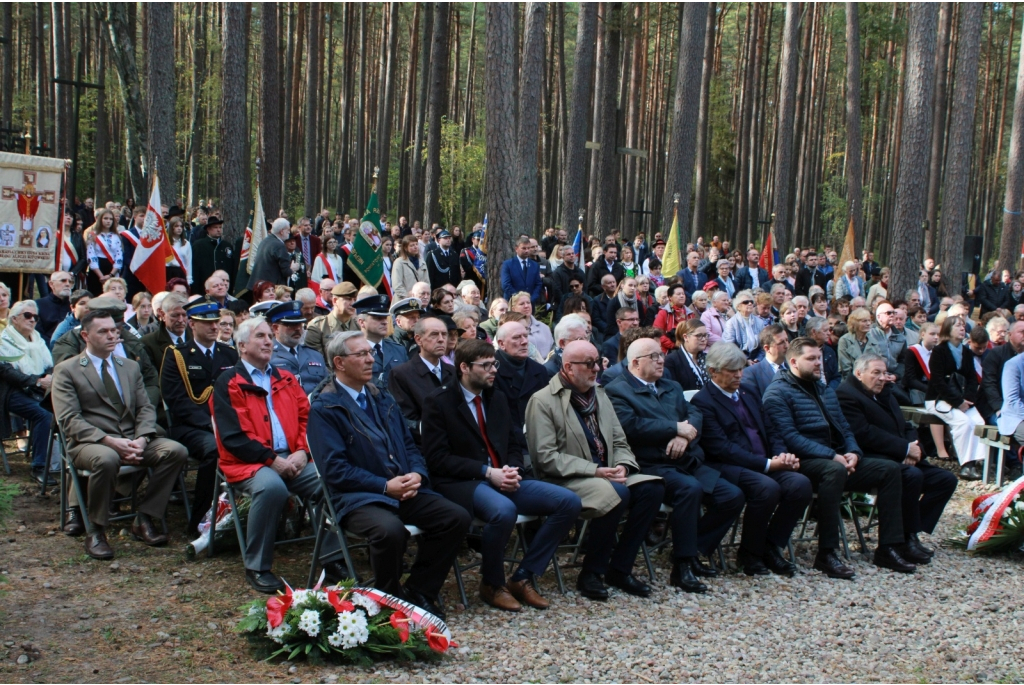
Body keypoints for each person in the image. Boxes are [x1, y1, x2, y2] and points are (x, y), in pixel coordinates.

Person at [306, 331, 470, 619]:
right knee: (390, 531)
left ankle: (419, 589)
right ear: (340, 363)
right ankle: (388, 600)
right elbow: (334, 470)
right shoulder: (326, 408)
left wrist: (417, 474)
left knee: (456, 518)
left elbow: (409, 444)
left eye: (370, 353)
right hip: (358, 497)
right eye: (362, 355)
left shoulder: (381, 397)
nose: (371, 359)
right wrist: (384, 486)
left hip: (401, 487)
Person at [420, 340, 581, 611]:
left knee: (568, 502)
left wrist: (512, 469)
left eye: (494, 364)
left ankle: (523, 576)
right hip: (461, 483)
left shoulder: (498, 397)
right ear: (464, 367)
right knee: (504, 511)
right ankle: (492, 584)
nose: (493, 370)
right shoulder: (439, 402)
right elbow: (437, 460)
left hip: (502, 476)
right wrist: (486, 472)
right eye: (485, 365)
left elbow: (514, 443)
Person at [761, 337, 914, 579]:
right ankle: (827, 552)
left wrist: (853, 452)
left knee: (889, 469)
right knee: (834, 471)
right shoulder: (777, 392)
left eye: (819, 358)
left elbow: (844, 427)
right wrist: (832, 455)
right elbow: (789, 437)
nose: (818, 364)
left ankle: (888, 547)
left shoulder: (824, 389)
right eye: (810, 359)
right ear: (793, 361)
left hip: (835, 458)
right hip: (802, 461)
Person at [525, 340, 664, 600]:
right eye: (589, 364)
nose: (596, 369)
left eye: (598, 362)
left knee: (652, 488)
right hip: (565, 480)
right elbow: (545, 458)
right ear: (568, 367)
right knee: (615, 494)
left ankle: (620, 568)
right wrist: (595, 470)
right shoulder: (543, 401)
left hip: (607, 474)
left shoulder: (599, 393)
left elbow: (619, 440)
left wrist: (622, 464)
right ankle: (591, 572)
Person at [607, 338, 745, 592]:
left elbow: (694, 413)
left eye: (662, 355)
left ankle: (692, 550)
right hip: (650, 464)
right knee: (689, 489)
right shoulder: (617, 390)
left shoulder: (670, 385)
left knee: (732, 496)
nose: (662, 360)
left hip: (685, 459)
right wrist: (673, 427)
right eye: (655, 357)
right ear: (636, 362)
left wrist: (683, 434)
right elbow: (629, 426)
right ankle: (682, 567)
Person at [51, 309, 188, 560]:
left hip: (131, 437)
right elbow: (69, 419)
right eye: (103, 331)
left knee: (175, 451)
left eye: (115, 330)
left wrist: (142, 438)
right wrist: (109, 441)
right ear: (86, 336)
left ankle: (145, 517)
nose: (112, 336)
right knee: (107, 458)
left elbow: (145, 407)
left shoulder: (130, 366)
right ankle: (96, 530)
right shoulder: (67, 370)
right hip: (90, 442)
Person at [211, 317, 322, 593]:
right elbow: (234, 437)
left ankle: (332, 557)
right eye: (260, 336)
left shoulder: (284, 377)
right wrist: (274, 461)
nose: (268, 341)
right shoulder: (229, 381)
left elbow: (307, 418)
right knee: (272, 489)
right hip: (249, 462)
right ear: (241, 345)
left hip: (293, 456)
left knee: (331, 481)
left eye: (270, 337)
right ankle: (257, 567)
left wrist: (301, 451)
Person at [691, 342, 812, 577]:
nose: (738, 375)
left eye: (740, 369)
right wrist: (768, 464)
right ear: (713, 371)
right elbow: (721, 448)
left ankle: (770, 546)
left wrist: (780, 455)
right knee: (765, 488)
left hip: (764, 460)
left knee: (800, 485)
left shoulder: (748, 391)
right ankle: (749, 554)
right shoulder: (703, 401)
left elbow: (771, 428)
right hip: (728, 466)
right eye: (731, 370)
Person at [837, 354, 958, 563]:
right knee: (911, 476)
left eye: (885, 373)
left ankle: (910, 533)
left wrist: (914, 447)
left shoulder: (886, 393)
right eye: (876, 373)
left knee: (945, 480)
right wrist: (903, 450)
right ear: (859, 373)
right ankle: (900, 540)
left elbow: (906, 426)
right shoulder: (846, 395)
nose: (883, 378)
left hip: (900, 456)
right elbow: (863, 433)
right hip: (870, 460)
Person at [160, 297, 239, 537]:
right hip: (193, 427)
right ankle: (201, 520)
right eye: (207, 323)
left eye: (216, 322)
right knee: (215, 450)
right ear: (192, 324)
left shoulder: (229, 354)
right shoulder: (178, 355)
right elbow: (176, 401)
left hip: (226, 423)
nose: (215, 327)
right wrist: (210, 424)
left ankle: (240, 516)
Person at [923, 316, 987, 480]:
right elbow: (937, 381)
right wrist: (958, 402)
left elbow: (972, 378)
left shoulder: (966, 351)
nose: (962, 328)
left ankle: (975, 463)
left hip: (963, 399)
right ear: (948, 329)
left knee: (979, 422)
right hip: (939, 399)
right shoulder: (939, 351)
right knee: (963, 423)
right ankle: (966, 465)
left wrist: (967, 400)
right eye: (957, 325)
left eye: (963, 325)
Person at [0, 301, 55, 484]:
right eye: (27, 315)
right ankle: (39, 466)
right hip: (11, 392)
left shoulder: (38, 340)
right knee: (43, 414)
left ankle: (60, 461)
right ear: (14, 319)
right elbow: (7, 372)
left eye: (35, 317)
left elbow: (50, 366)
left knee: (67, 408)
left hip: (38, 389)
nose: (32, 320)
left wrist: (49, 378)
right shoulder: (3, 341)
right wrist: (37, 381)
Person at [388, 316, 456, 441]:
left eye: (444, 334)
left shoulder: (453, 371)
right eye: (434, 335)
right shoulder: (401, 374)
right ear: (418, 340)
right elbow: (406, 420)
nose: (441, 340)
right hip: (424, 447)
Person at [492, 321, 549, 429]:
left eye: (526, 336)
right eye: (516, 337)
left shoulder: (540, 370)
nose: (524, 342)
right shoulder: (491, 371)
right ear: (501, 344)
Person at [266, 300, 329, 396]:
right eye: (291, 325)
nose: (298, 329)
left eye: (300, 324)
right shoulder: (267, 356)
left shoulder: (315, 355)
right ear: (276, 328)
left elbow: (329, 387)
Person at [349, 294, 408, 388]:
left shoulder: (399, 350)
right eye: (377, 318)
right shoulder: (352, 351)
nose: (385, 322)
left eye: (385, 318)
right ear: (361, 322)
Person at [304, 282, 360, 363]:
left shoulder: (359, 326)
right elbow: (317, 363)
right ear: (335, 301)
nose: (352, 303)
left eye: (354, 299)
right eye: (348, 299)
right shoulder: (318, 327)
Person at [140, 292, 191, 372]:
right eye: (175, 315)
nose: (181, 320)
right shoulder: (148, 343)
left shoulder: (198, 338)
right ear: (163, 315)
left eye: (184, 315)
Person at [742, 324, 789, 399]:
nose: (787, 345)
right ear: (767, 348)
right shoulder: (751, 374)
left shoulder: (794, 368)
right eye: (781, 343)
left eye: (787, 340)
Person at [191, 217, 235, 296]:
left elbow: (232, 269)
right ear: (208, 229)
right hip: (204, 288)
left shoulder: (227, 246)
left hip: (224, 289)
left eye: (220, 227)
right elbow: (195, 269)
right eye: (215, 227)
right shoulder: (199, 245)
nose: (218, 230)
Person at [663, 319, 710, 391]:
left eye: (705, 335)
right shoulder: (671, 361)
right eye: (699, 335)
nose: (704, 339)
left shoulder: (708, 358)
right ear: (686, 337)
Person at [509, 291, 554, 360]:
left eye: (528, 303)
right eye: (522, 304)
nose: (526, 306)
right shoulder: (509, 329)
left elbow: (552, 349)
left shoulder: (544, 327)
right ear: (513, 309)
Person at [501, 237, 545, 304]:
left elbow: (538, 284)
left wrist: (531, 299)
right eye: (524, 248)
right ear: (516, 249)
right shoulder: (508, 264)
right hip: (513, 302)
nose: (527, 251)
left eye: (528, 248)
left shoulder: (535, 265)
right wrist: (518, 298)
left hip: (529, 303)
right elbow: (506, 284)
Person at [34, 271, 73, 344]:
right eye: (63, 280)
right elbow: (37, 334)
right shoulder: (38, 305)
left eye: (70, 282)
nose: (68, 284)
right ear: (51, 284)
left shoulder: (76, 306)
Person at [722, 289, 762, 360]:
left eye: (751, 302)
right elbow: (729, 347)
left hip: (757, 360)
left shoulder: (759, 322)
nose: (750, 304)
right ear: (738, 307)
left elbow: (763, 344)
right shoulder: (731, 323)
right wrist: (746, 361)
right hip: (738, 360)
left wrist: (758, 359)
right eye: (746, 302)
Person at [838, 307, 873, 379]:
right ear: (855, 323)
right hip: (851, 381)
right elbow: (845, 368)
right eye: (864, 321)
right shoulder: (844, 341)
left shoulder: (874, 341)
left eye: (869, 320)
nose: (868, 323)